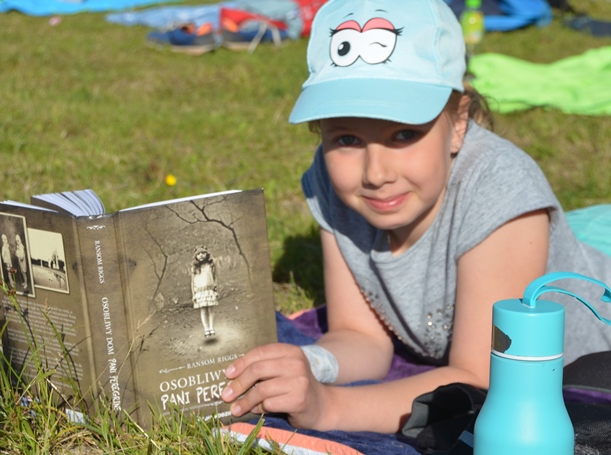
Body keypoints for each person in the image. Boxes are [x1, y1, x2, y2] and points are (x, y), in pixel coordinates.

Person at [220, 0, 611, 434]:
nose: (376, 174)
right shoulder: (333, 182)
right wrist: (306, 365)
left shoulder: (500, 187)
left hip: (587, 370)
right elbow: (360, 336)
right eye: (346, 138)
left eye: (404, 134)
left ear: (458, 122)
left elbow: (481, 382)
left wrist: (328, 407)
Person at [190, 245, 219, 337]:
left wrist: (215, 289)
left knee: (210, 310)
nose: (201, 255)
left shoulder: (211, 265)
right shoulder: (194, 268)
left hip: (209, 290)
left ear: (207, 254)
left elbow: (215, 278)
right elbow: (192, 282)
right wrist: (194, 294)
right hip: (199, 292)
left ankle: (211, 327)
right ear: (195, 256)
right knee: (203, 311)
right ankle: (206, 329)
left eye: (203, 253)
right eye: (198, 254)